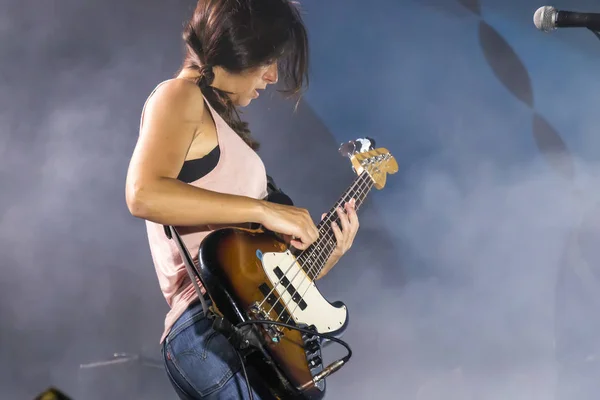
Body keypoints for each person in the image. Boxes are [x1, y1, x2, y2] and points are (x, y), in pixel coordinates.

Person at [125, 0, 360, 398]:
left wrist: (320, 262)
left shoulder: (219, 127)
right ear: (239, 50)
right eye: (267, 61)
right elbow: (143, 193)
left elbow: (252, 280)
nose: (271, 77)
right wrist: (263, 209)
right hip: (211, 327)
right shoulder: (179, 96)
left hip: (242, 327)